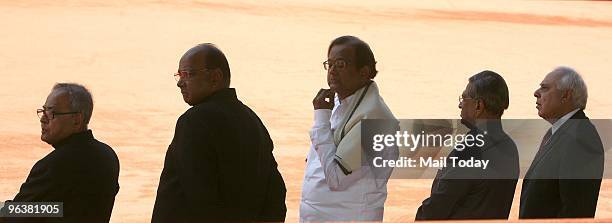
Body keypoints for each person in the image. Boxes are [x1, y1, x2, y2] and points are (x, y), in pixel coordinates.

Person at [152, 43, 286, 222]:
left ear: (215, 77)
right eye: (179, 75)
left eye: (187, 74)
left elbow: (198, 193)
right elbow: (276, 191)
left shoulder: (194, 120)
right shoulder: (252, 121)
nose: (179, 83)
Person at [300, 35, 397, 222]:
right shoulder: (339, 102)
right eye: (330, 64)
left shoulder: (375, 119)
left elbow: (336, 178)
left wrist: (321, 119)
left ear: (363, 72)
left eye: (341, 64)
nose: (333, 71)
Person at [1, 83, 120, 222]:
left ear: (77, 119)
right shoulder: (108, 156)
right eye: (43, 111)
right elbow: (57, 208)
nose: (43, 119)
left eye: (52, 113)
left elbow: (17, 215)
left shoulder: (55, 164)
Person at [415, 70, 519, 220]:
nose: (460, 105)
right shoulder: (509, 147)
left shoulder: (470, 150)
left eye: (464, 98)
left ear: (478, 105)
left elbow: (439, 206)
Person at [520, 66, 604, 218]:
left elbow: (576, 212)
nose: (536, 93)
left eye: (544, 88)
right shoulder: (559, 133)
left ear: (565, 95)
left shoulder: (579, 138)